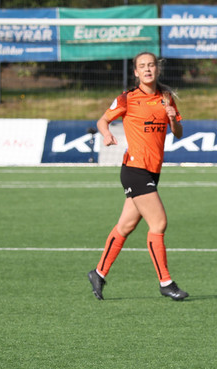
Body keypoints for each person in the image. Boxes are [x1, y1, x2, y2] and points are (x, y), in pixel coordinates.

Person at [87, 51, 188, 301]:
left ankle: (98, 273)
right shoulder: (128, 98)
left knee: (126, 226)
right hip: (134, 169)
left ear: (157, 69)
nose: (147, 69)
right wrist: (107, 134)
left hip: (152, 170)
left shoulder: (165, 98)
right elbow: (102, 121)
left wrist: (172, 119)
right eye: (142, 66)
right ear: (135, 72)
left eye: (151, 65)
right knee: (158, 223)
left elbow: (178, 133)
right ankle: (165, 282)